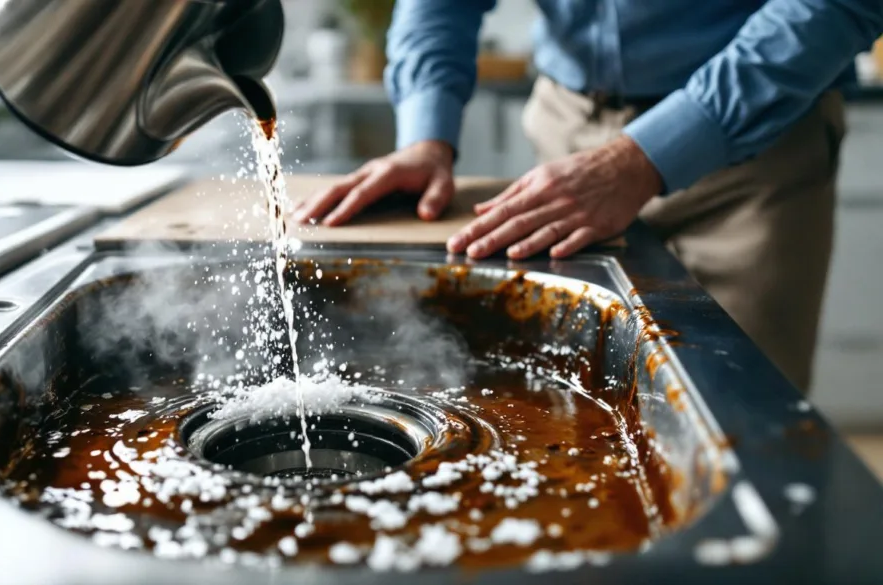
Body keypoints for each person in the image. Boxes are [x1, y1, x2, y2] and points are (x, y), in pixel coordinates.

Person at [292, 0, 883, 393]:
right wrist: (425, 134)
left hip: (752, 149)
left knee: (744, 417)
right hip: (565, 133)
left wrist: (643, 158)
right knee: (572, 405)